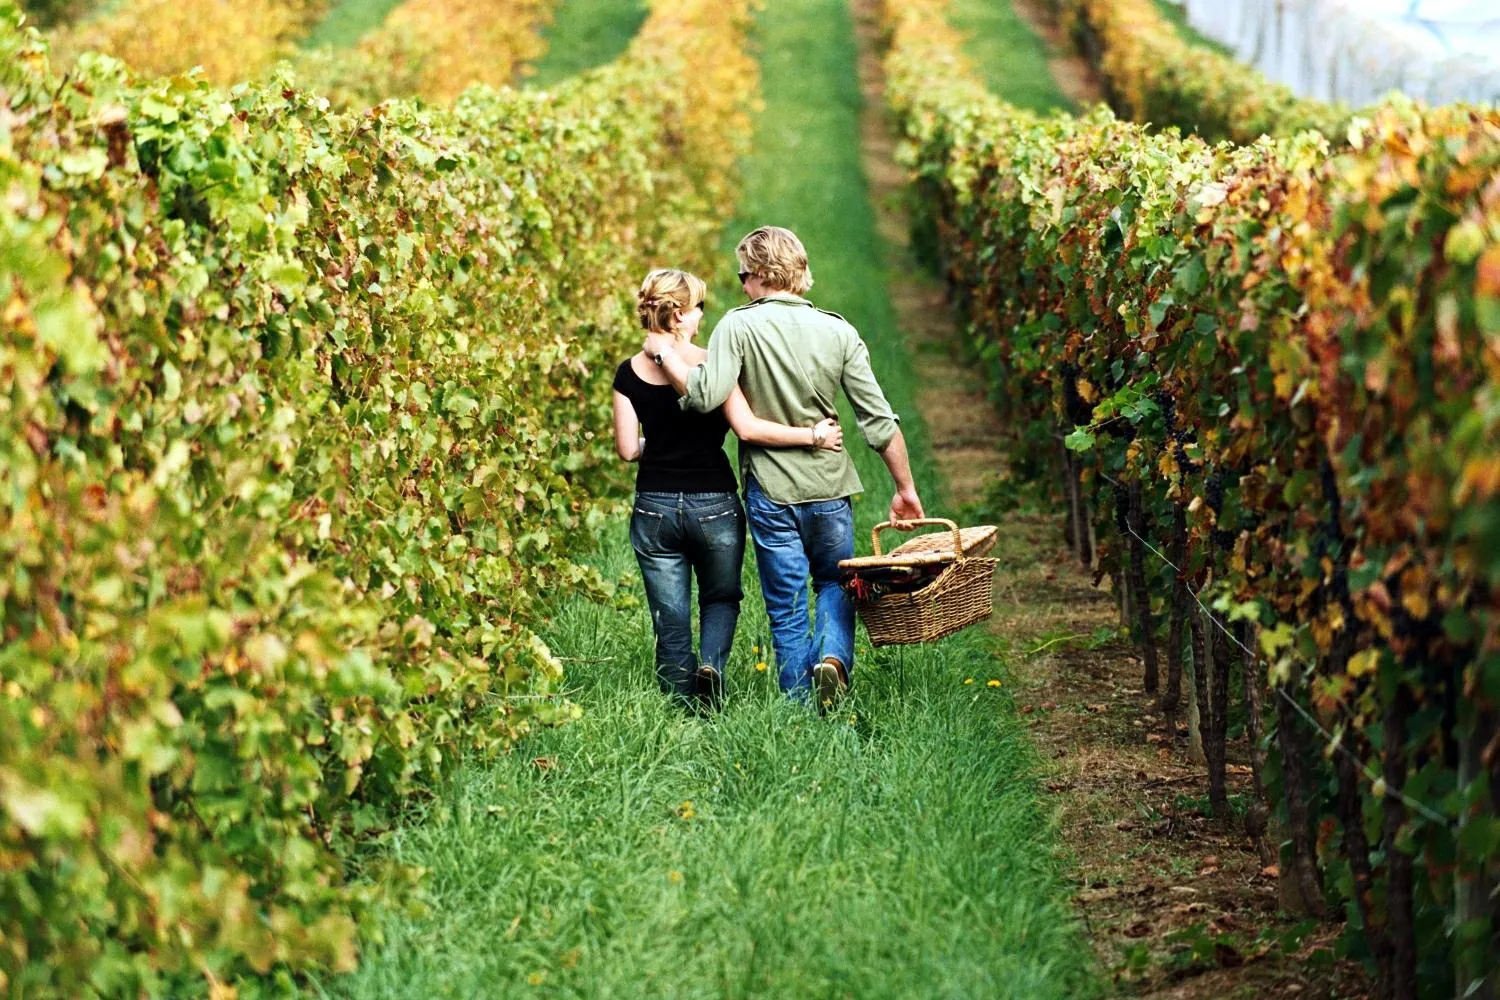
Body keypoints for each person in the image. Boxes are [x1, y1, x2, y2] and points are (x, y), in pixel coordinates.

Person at [643, 227, 925, 710]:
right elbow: (879, 421)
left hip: (771, 490)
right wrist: (905, 488)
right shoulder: (838, 331)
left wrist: (663, 353)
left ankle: (797, 705)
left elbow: (706, 396)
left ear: (759, 274)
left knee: (786, 602)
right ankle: (832, 658)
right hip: (829, 486)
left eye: (743, 276)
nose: (742, 285)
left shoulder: (737, 326)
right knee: (836, 582)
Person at [613, 268, 845, 710]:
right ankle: (711, 667)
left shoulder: (628, 373)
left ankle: (678, 699)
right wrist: (813, 436)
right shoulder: (713, 364)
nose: (703, 315)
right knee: (720, 596)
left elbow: (627, 449)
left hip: (654, 504)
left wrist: (658, 445)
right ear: (679, 315)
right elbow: (746, 427)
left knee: (670, 611)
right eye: (698, 307)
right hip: (714, 502)